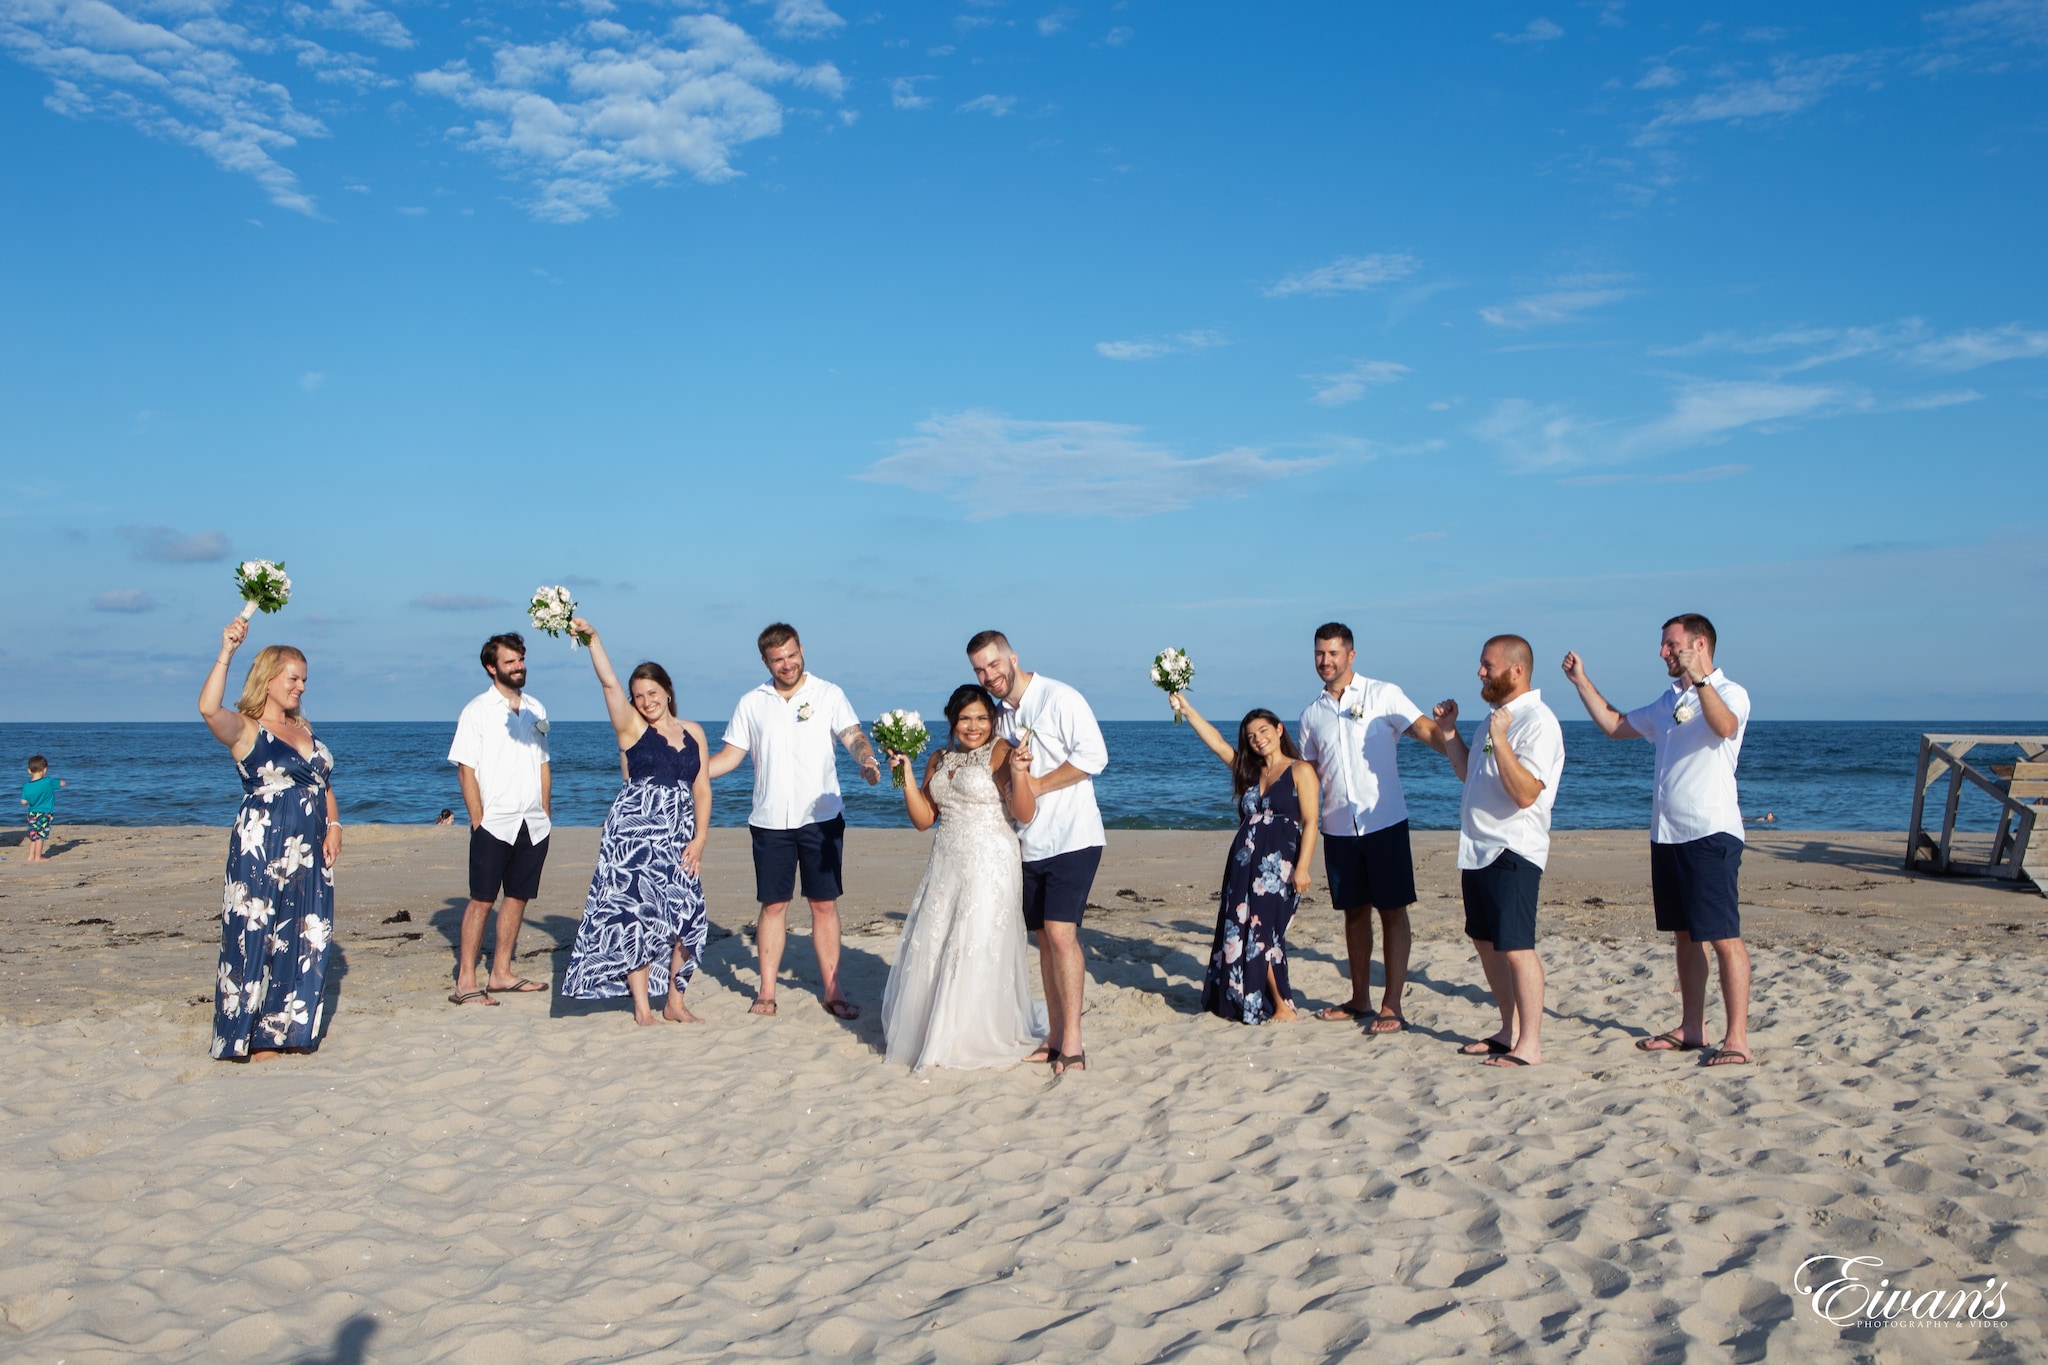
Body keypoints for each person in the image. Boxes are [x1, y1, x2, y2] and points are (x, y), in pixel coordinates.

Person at [1562, 614, 1755, 1066]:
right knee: (1685, 936)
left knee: (1724, 936)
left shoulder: (1729, 692)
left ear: (1700, 644)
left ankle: (1738, 1038)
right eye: (1665, 646)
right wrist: (1581, 682)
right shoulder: (1669, 701)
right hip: (1668, 835)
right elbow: (1614, 725)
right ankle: (1692, 1026)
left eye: (1672, 645)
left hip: (1711, 833)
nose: (1663, 653)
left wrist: (1700, 679)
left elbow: (1724, 726)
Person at [706, 623, 880, 1018]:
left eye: (791, 655)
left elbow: (853, 735)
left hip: (821, 818)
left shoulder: (828, 693)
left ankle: (833, 991)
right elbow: (730, 758)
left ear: (801, 648)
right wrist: (687, 769)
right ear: (765, 661)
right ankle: (766, 991)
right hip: (769, 820)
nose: (786, 664)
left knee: (823, 904)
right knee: (773, 905)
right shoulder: (752, 702)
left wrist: (866, 759)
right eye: (777, 659)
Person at [1295, 622, 1453, 1034]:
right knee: (1353, 914)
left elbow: (1425, 730)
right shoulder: (1311, 714)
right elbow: (1309, 775)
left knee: (1393, 912)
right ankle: (1360, 999)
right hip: (1338, 829)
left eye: (1332, 653)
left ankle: (1392, 1006)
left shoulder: (1383, 694)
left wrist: (1462, 757)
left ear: (1351, 654)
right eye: (1319, 653)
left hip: (1384, 822)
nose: (1325, 661)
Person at [880, 684, 1046, 1068]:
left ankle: (973, 1031)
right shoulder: (939, 758)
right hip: (947, 859)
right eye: (965, 718)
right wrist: (905, 775)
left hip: (990, 858)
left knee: (975, 940)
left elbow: (1024, 812)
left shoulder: (1002, 751)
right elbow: (924, 819)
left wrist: (1020, 775)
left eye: (982, 718)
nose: (974, 726)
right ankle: (933, 1028)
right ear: (952, 720)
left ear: (992, 720)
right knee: (937, 938)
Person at [198, 617, 341, 1061]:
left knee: (304, 937)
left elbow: (322, 784)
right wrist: (227, 651)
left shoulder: (305, 729)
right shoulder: (245, 729)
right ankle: (249, 1035)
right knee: (254, 936)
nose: (300, 686)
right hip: (261, 848)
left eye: (304, 679)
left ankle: (286, 1031)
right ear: (268, 678)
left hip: (310, 852)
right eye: (293, 678)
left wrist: (335, 826)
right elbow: (207, 708)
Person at [559, 619, 714, 1026]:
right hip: (634, 832)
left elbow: (702, 791)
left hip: (679, 833)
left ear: (667, 690)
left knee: (691, 915)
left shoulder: (694, 731)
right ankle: (643, 1006)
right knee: (637, 917)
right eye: (638, 696)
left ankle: (675, 1001)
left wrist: (699, 840)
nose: (646, 701)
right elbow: (609, 684)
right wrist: (594, 641)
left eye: (652, 692)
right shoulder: (631, 728)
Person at [967, 630, 1108, 1076]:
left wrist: (1039, 785)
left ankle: (1074, 1044)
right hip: (1029, 845)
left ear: (1012, 657)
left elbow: (1095, 756)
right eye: (980, 671)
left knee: (1061, 934)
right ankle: (1053, 1036)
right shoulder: (1003, 718)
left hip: (1074, 836)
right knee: (1044, 940)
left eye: (994, 665)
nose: (990, 676)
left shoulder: (1060, 698)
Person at [1434, 634, 1564, 1068]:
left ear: (1516, 670)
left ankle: (1530, 1043)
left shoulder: (1537, 721)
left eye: (1488, 665)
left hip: (1514, 849)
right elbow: (1470, 773)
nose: (1480, 672)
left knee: (1516, 947)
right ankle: (1508, 1030)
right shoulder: (1494, 719)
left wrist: (1502, 739)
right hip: (1478, 848)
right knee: (1485, 942)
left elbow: (1526, 793)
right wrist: (1451, 732)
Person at [1170, 694, 1321, 1025]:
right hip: (1242, 865)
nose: (1258, 739)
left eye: (1264, 730)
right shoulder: (1249, 773)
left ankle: (1282, 1005)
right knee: (1241, 929)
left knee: (1265, 933)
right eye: (1252, 736)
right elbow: (1218, 744)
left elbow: (1311, 822)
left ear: (1280, 730)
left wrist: (1304, 867)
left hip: (1278, 868)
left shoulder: (1300, 770)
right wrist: (1188, 710)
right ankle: (1252, 999)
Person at [447, 632, 552, 1006]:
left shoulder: (537, 707)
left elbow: (543, 764)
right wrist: (479, 820)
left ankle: (502, 973)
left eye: (521, 659)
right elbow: (465, 769)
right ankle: (466, 981)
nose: (519, 666)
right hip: (494, 822)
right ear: (492, 668)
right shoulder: (476, 710)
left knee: (518, 898)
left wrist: (546, 812)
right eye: (510, 662)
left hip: (533, 822)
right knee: (482, 900)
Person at [18, 756, 65, 862]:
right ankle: (38, 857)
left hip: (32, 813)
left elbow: (23, 801)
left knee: (33, 835)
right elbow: (62, 783)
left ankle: (31, 856)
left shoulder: (26, 785)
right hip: (44, 813)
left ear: (29, 771)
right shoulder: (48, 781)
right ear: (45, 770)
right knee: (41, 836)